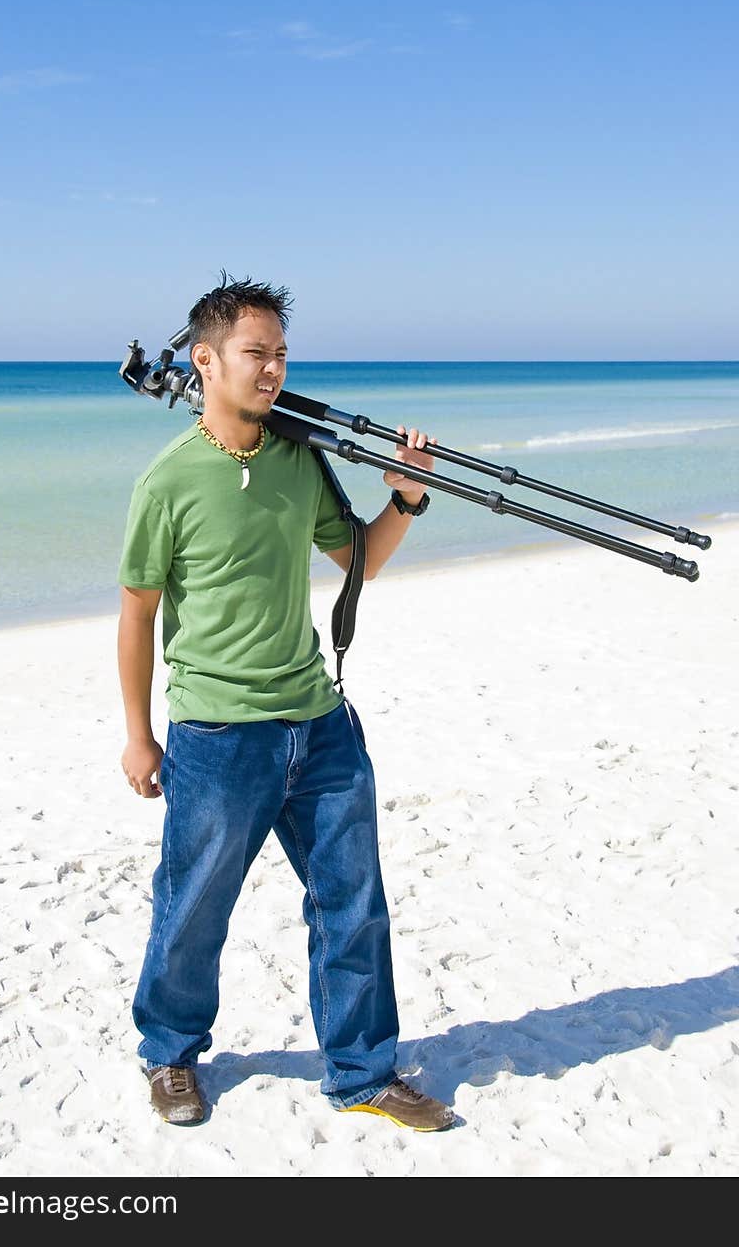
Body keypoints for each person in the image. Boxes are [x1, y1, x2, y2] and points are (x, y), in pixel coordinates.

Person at [117, 271, 453, 1132]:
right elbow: (137, 612)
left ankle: (363, 1070)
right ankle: (169, 1053)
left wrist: (406, 493)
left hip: (319, 723)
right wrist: (138, 735)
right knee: (193, 905)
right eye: (254, 353)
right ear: (205, 360)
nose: (272, 369)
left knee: (353, 900)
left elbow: (362, 561)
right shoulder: (168, 480)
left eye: (281, 354)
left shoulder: (300, 461)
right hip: (218, 735)